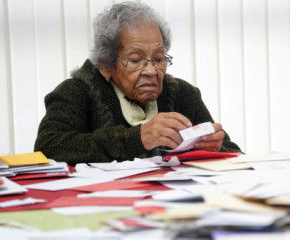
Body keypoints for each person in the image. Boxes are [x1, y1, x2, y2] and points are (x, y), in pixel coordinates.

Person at [34, 1, 241, 165]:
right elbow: (47, 148)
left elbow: (235, 154)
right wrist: (138, 138)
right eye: (135, 60)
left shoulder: (183, 94)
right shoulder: (76, 92)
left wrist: (214, 148)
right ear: (106, 65)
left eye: (159, 58)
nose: (151, 71)